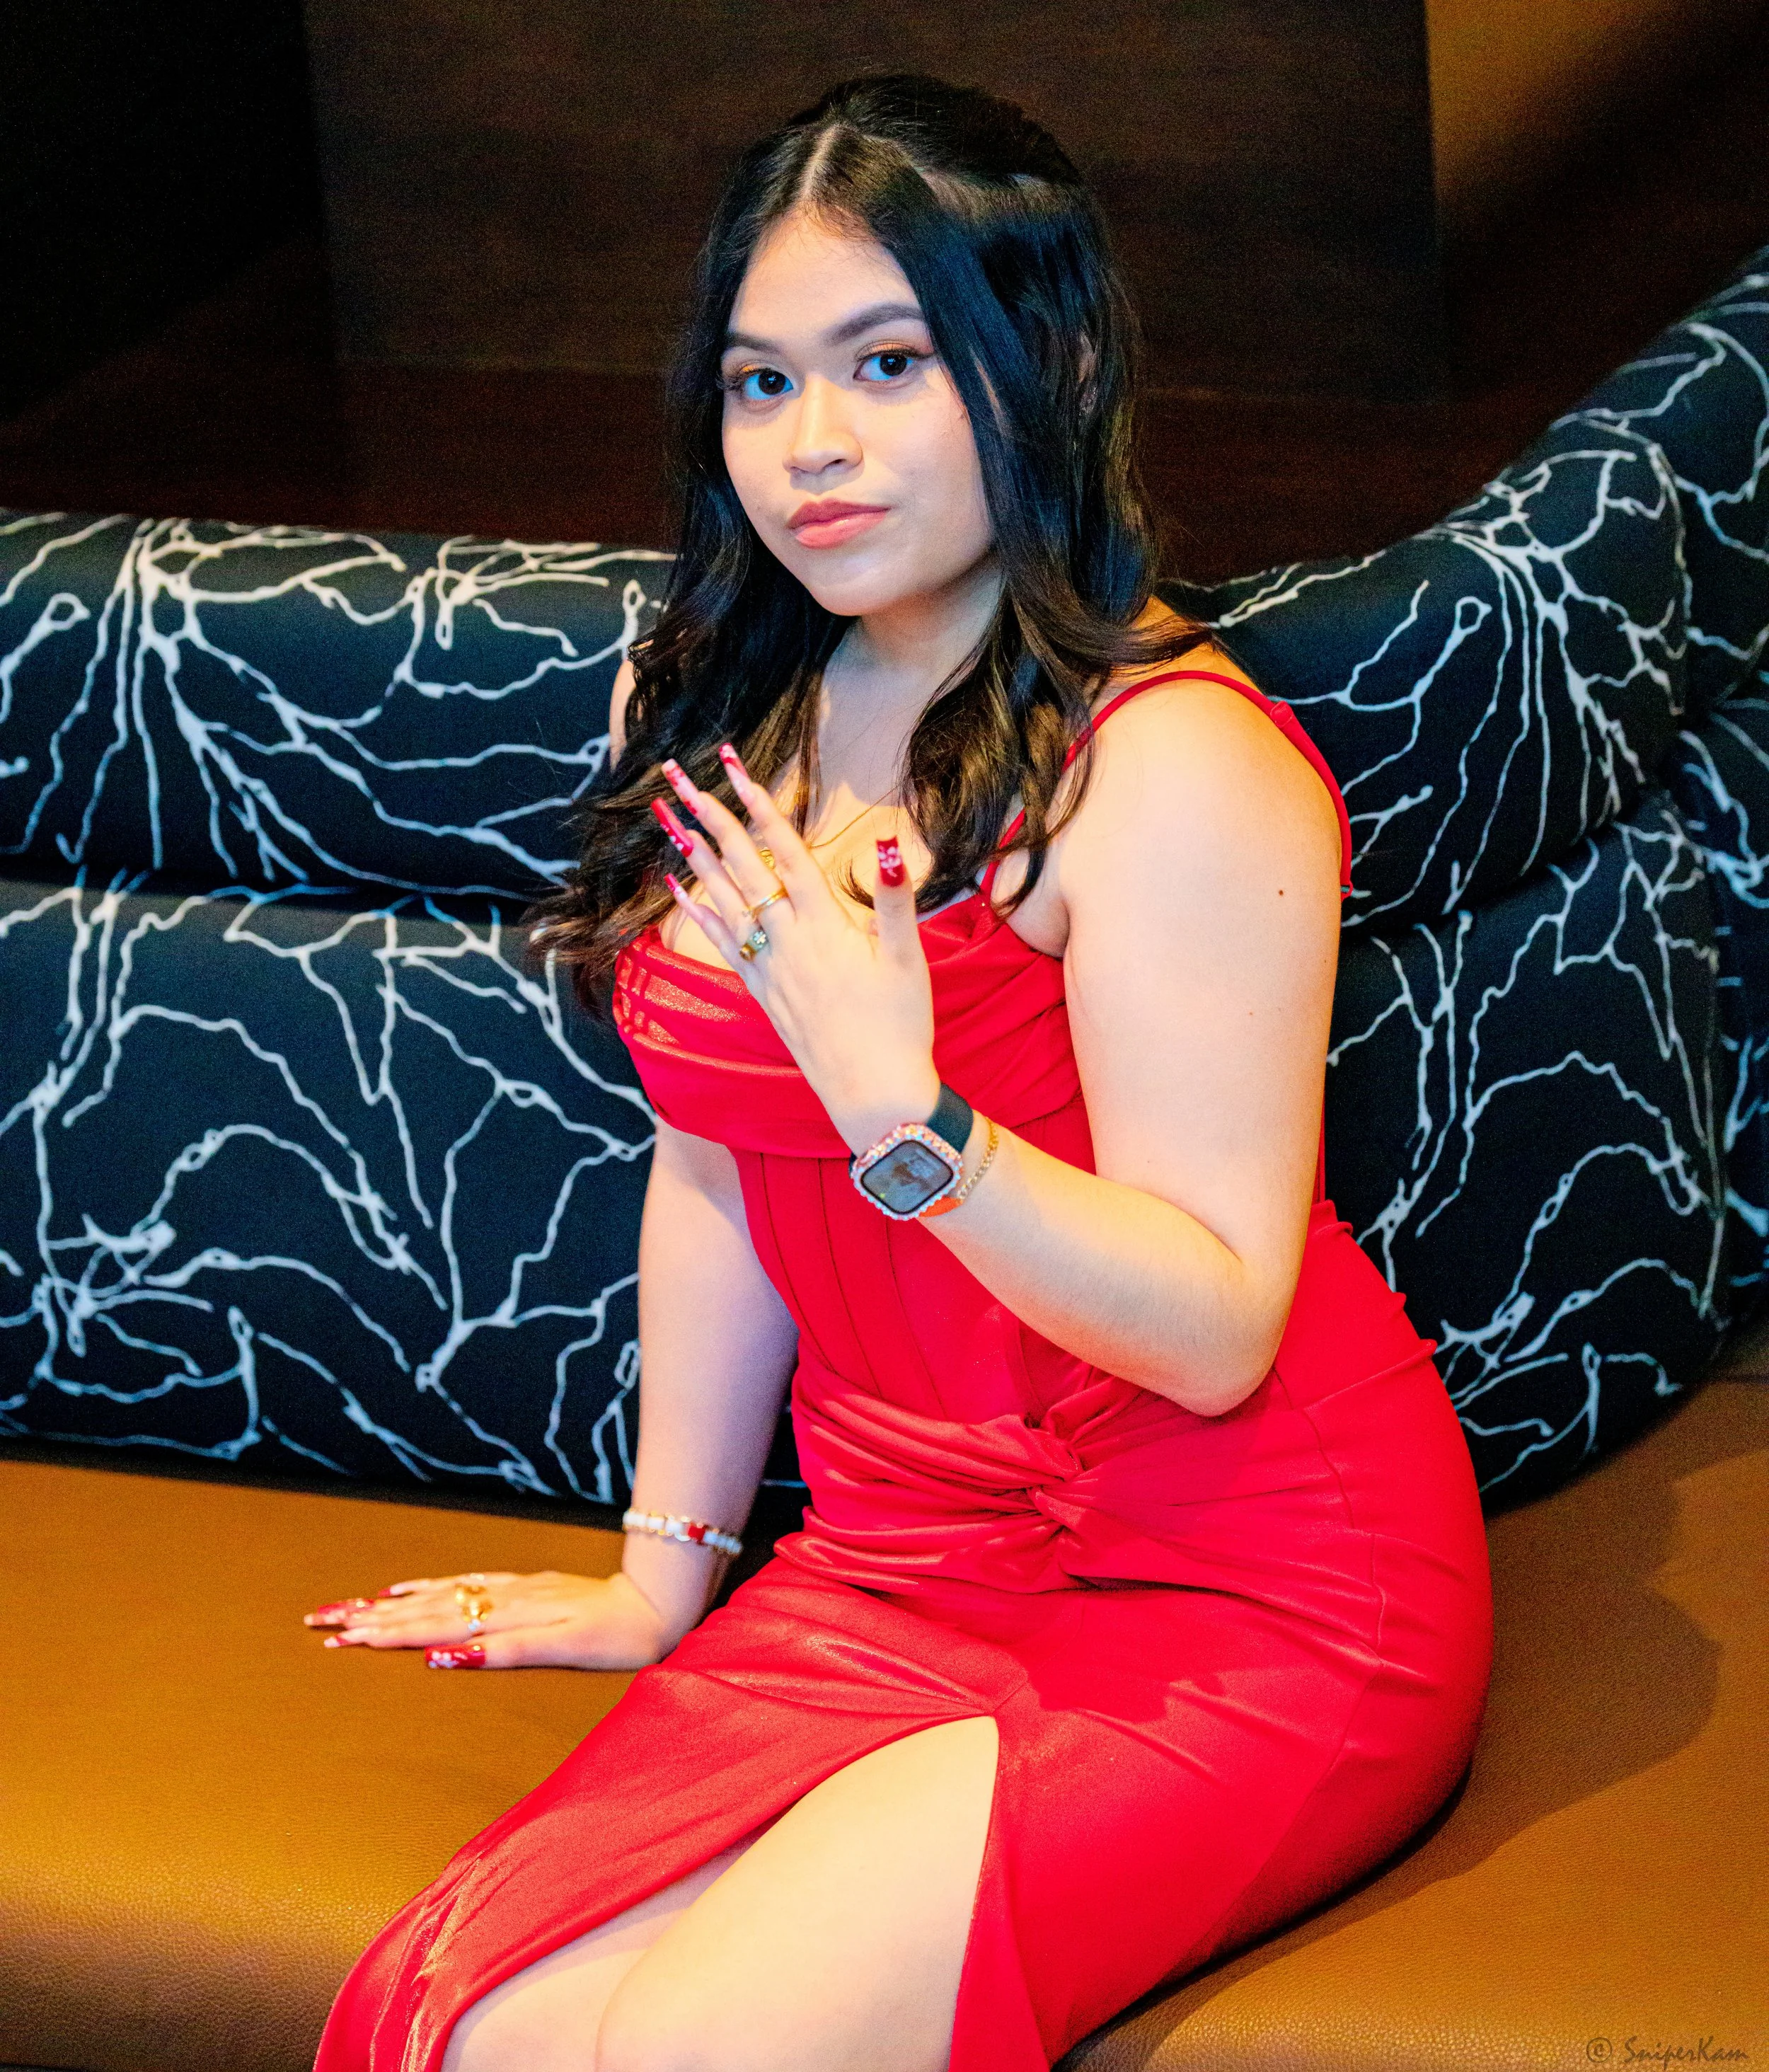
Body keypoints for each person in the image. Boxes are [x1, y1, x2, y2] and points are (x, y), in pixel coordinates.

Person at [306, 73, 1494, 2072]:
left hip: (1237, 1586)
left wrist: (907, 1116)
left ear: (1054, 365)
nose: (813, 447)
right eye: (760, 384)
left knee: (693, 2054)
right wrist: (657, 1575)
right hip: (889, 1560)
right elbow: (710, 1164)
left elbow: (1218, 1329)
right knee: (479, 2030)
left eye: (888, 363)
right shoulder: (713, 696)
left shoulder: (1168, 766)